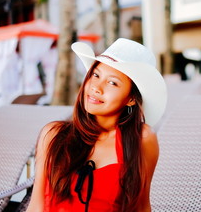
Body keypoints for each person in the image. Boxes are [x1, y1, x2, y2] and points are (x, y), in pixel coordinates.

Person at [27, 38, 167, 212]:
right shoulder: (53, 135)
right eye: (95, 75)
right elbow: (37, 205)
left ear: (131, 99)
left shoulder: (142, 138)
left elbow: (141, 206)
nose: (96, 88)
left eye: (112, 82)